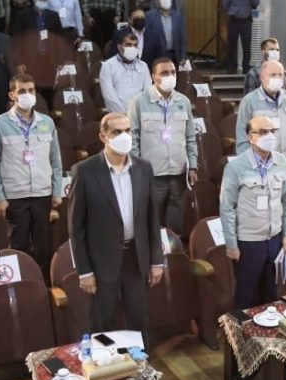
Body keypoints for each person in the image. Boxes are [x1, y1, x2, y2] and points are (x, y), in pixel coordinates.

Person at [70, 112, 164, 333]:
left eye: (127, 131)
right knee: (103, 324)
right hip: (102, 262)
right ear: (103, 136)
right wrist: (84, 271)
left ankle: (141, 356)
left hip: (136, 258)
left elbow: (152, 217)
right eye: (117, 132)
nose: (124, 136)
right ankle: (105, 357)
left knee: (138, 321)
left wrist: (157, 260)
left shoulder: (144, 168)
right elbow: (76, 228)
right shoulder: (84, 171)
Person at [0, 73, 63, 268]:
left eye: (31, 90)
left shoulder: (47, 122)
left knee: (43, 246)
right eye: (21, 91)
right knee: (19, 246)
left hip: (42, 193)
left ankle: (42, 282)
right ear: (12, 95)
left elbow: (55, 160)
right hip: (15, 195)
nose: (27, 94)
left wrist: (57, 190)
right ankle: (23, 282)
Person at [220, 115, 286, 309]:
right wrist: (231, 244)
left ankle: (270, 328)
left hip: (275, 238)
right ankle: (241, 329)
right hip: (249, 241)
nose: (269, 136)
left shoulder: (281, 161)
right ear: (250, 137)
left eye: (271, 131)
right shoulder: (235, 166)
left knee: (272, 294)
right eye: (262, 132)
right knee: (246, 296)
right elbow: (227, 208)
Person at [129, 58, 198, 234]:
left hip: (178, 171)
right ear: (154, 77)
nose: (170, 76)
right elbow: (133, 138)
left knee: (176, 218)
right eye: (164, 73)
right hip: (152, 172)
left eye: (173, 72)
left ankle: (174, 247)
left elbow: (190, 136)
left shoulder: (184, 101)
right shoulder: (139, 102)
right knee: (152, 217)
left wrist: (193, 166)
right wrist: (137, 168)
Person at [235, 60, 286, 173]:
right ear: (262, 78)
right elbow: (242, 137)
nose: (277, 78)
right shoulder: (249, 101)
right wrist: (248, 165)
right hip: (260, 163)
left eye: (280, 75)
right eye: (273, 75)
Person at [10, 0, 65, 101]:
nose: (42, 0)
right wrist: (19, 62)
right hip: (29, 61)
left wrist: (60, 61)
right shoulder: (22, 15)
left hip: (49, 61)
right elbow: (16, 40)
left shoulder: (53, 16)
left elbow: (60, 39)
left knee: (49, 94)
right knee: (31, 92)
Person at [99, 32, 152, 113]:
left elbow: (148, 93)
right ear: (119, 47)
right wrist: (124, 115)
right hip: (117, 114)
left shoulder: (143, 66)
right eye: (128, 45)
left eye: (135, 45)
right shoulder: (108, 66)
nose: (132, 48)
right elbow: (109, 96)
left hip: (141, 113)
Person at [222, 0, 260, 74]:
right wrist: (232, 12)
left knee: (247, 45)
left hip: (246, 22)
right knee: (231, 45)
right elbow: (225, 5)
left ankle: (246, 67)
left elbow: (257, 3)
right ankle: (230, 67)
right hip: (234, 21)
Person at [145, 0, 186, 65]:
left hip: (175, 55)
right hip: (157, 55)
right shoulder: (149, 16)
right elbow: (147, 38)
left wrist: (183, 56)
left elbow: (182, 38)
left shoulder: (177, 15)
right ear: (157, 1)